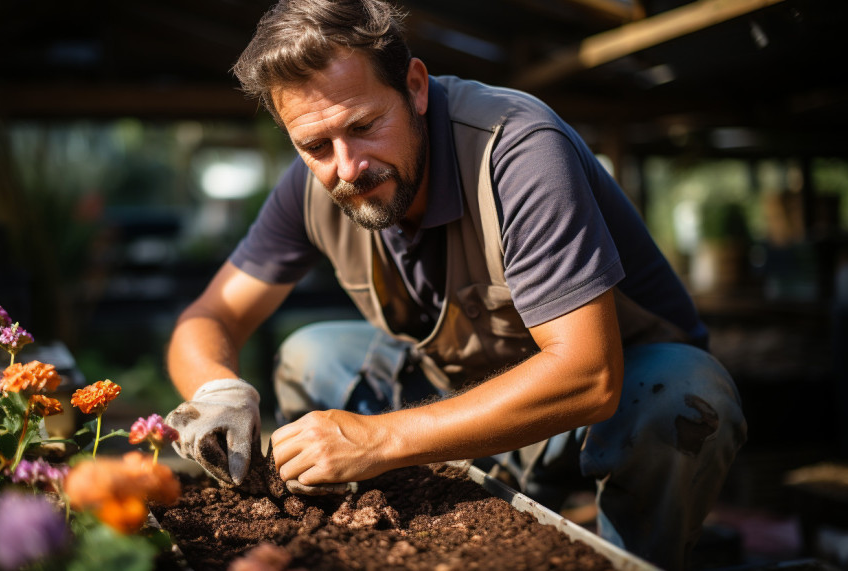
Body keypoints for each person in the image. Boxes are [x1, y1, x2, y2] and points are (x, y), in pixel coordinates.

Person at [164, 0, 747, 568]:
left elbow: (589, 375)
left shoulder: (517, 149)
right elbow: (209, 318)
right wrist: (219, 392)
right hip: (457, 398)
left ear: (416, 87)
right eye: (315, 145)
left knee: (683, 395)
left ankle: (625, 557)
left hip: (604, 412)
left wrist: (379, 440)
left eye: (365, 125)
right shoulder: (312, 184)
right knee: (309, 354)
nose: (347, 168)